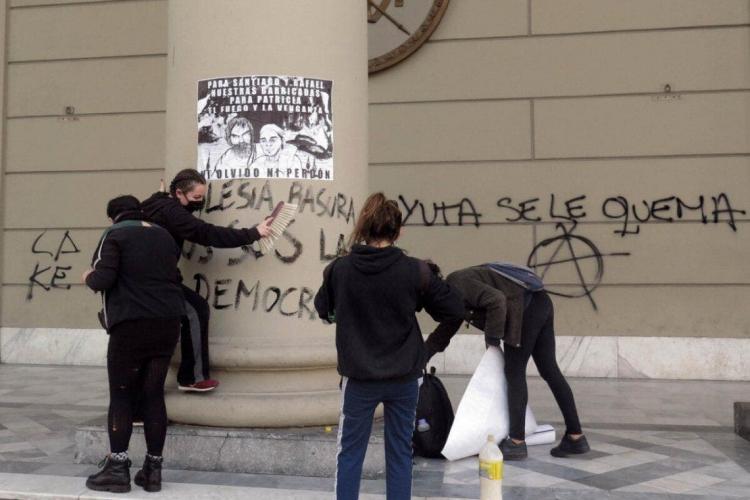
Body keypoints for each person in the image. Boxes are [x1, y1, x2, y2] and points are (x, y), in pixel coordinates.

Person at [314, 193, 464, 500]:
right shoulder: (415, 270)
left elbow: (324, 311)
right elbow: (455, 310)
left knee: (350, 454)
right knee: (399, 453)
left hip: (359, 379)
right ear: (398, 231)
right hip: (405, 377)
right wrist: (428, 348)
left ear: (363, 228)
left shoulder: (338, 270)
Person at [428, 263, 590, 460]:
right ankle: (576, 436)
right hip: (540, 303)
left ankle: (516, 442)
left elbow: (496, 300)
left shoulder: (457, 283)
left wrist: (492, 343)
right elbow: (444, 332)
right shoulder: (453, 298)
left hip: (525, 309)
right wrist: (420, 358)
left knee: (514, 372)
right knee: (549, 370)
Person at [83, 196, 184, 493]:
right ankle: (153, 471)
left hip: (131, 325)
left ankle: (117, 468)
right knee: (153, 394)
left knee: (122, 394)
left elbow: (103, 279)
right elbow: (174, 276)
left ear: (113, 216)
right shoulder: (164, 236)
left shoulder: (114, 234)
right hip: (167, 323)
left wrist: (88, 276)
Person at [141, 169, 272, 392]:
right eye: (196, 198)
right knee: (196, 311)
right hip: (157, 281)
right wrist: (253, 233)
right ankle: (192, 377)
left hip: (142, 281)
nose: (199, 203)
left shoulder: (156, 204)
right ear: (179, 193)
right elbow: (208, 233)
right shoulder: (174, 213)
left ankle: (148, 395)